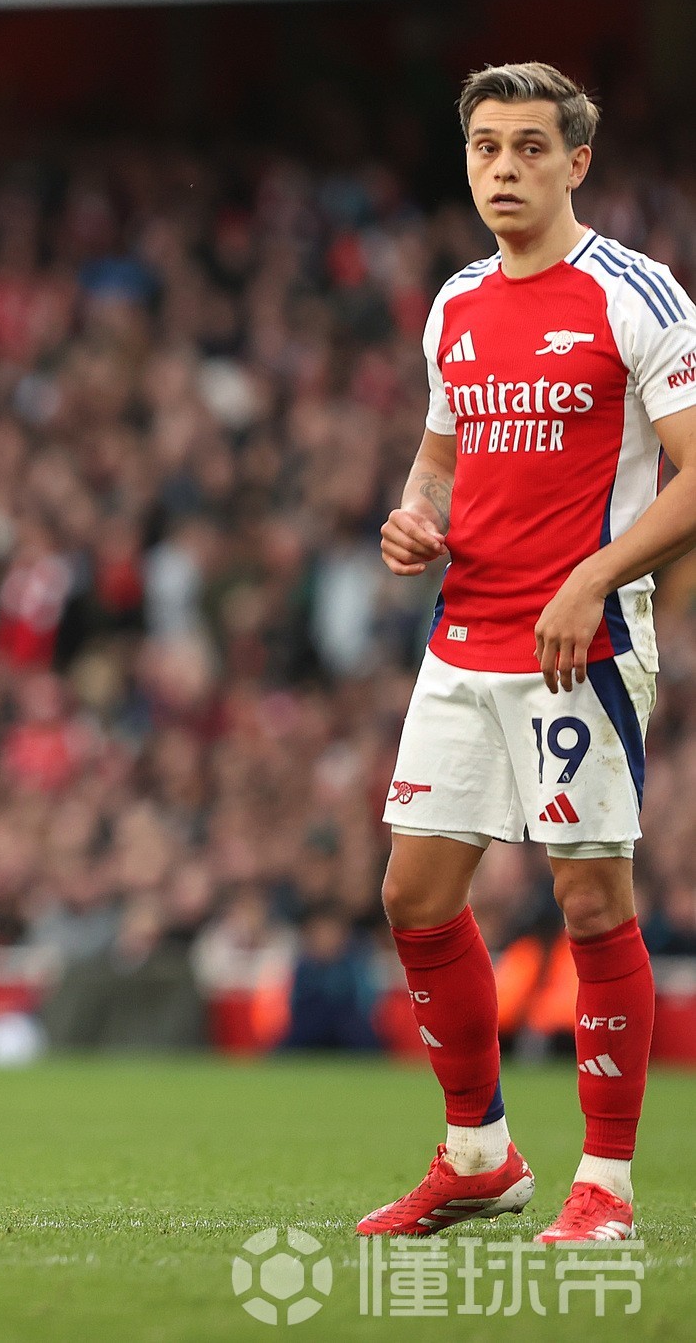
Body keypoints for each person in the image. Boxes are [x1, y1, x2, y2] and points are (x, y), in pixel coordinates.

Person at [366, 62, 693, 1243]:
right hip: (465, 630)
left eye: (526, 148)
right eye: (484, 148)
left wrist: (599, 576)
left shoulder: (634, 293)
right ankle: (478, 1154)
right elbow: (439, 459)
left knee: (592, 898)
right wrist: (414, 516)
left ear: (575, 162)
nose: (501, 168)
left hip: (584, 639)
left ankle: (602, 1185)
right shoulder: (454, 302)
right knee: (412, 891)